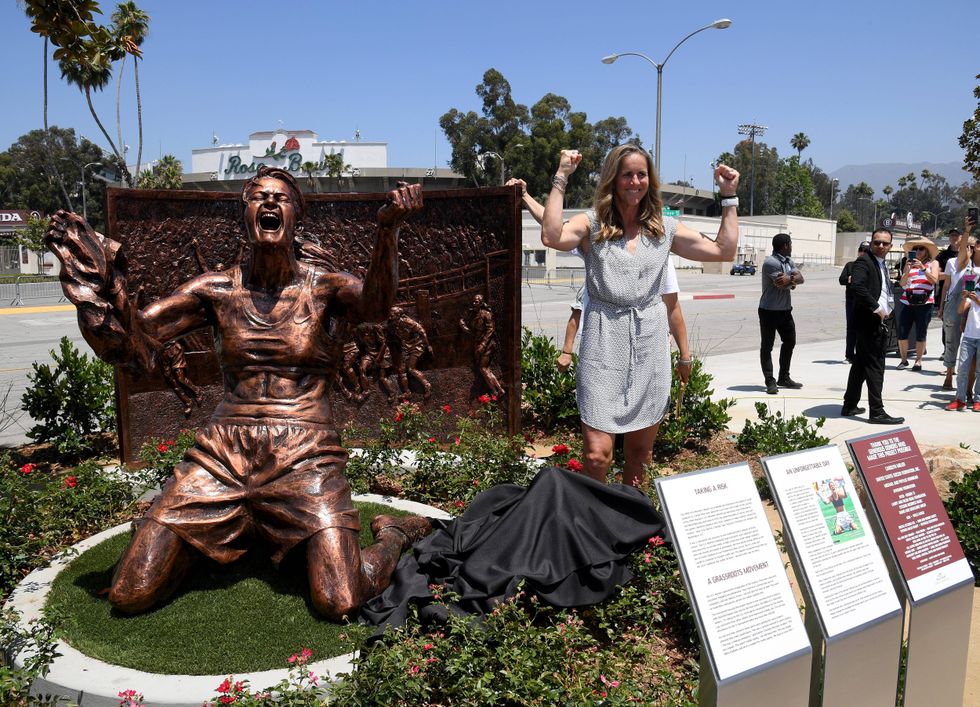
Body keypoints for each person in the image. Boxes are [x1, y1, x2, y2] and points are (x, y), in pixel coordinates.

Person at [46, 166, 430, 619]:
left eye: (281, 198)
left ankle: (395, 534)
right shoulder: (215, 290)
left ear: (296, 216)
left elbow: (376, 306)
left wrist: (389, 229)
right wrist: (100, 285)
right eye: (258, 197)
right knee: (130, 593)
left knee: (340, 599)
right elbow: (138, 340)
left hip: (305, 449)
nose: (269, 203)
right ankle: (209, 530)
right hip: (223, 452)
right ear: (244, 215)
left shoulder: (326, 288)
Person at [541, 145, 739, 487]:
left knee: (639, 458)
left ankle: (633, 531)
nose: (635, 181)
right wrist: (561, 177)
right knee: (596, 456)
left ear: (651, 180)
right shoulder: (592, 223)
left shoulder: (664, 229)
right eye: (627, 174)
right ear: (614, 179)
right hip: (602, 342)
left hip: (649, 344)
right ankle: (593, 527)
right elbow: (551, 235)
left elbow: (723, 250)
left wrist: (729, 197)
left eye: (641, 174)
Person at [841, 227, 905, 424]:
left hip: (876, 320)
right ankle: (877, 411)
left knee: (860, 365)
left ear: (890, 246)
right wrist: (877, 308)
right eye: (877, 242)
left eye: (885, 243)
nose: (880, 246)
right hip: (869, 322)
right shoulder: (864, 262)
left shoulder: (880, 263)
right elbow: (857, 286)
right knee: (876, 367)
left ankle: (850, 404)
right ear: (871, 244)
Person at [758, 233, 804, 394]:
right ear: (785, 246)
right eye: (790, 244)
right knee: (767, 346)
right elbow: (781, 284)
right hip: (768, 311)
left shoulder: (788, 261)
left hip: (785, 310)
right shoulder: (771, 263)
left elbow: (801, 279)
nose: (791, 247)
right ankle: (770, 381)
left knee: (790, 342)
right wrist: (793, 281)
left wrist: (791, 280)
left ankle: (784, 377)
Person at [939, 230, 977, 390]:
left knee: (973, 344)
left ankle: (969, 386)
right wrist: (941, 305)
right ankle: (949, 374)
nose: (968, 249)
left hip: (974, 304)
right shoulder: (953, 262)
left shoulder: (976, 265)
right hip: (954, 303)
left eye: (972, 246)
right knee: (951, 341)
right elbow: (946, 285)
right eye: (965, 246)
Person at [896, 237, 939, 371]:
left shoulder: (933, 263)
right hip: (907, 301)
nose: (918, 251)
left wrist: (923, 268)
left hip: (925, 303)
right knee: (902, 333)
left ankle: (918, 361)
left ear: (927, 251)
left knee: (921, 333)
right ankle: (903, 360)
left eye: (921, 249)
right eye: (915, 249)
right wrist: (908, 270)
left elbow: (934, 280)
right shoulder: (907, 263)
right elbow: (902, 284)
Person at [947, 278, 980, 411]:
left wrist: (977, 301)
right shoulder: (975, 285)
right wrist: (964, 298)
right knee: (962, 369)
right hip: (969, 335)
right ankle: (960, 399)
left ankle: (978, 399)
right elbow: (961, 310)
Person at [840, 241, 870, 362]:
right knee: (851, 327)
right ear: (858, 251)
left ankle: (862, 353)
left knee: (864, 328)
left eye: (866, 250)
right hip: (852, 301)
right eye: (862, 249)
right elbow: (841, 280)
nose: (863, 252)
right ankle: (849, 354)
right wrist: (849, 278)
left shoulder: (870, 266)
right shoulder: (850, 265)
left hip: (865, 301)